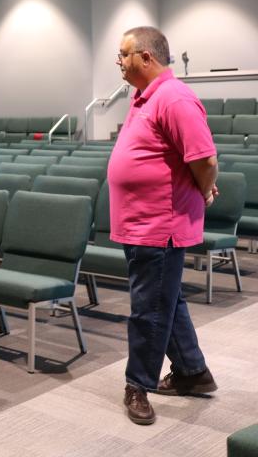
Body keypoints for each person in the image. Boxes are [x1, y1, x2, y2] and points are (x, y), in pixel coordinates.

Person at [107, 26, 219, 425]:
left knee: (149, 310)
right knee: (165, 301)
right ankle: (192, 371)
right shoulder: (143, 96)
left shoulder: (174, 98)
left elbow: (204, 160)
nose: (118, 61)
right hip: (140, 222)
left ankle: (139, 384)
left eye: (123, 54)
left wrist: (204, 193)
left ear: (146, 57)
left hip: (160, 225)